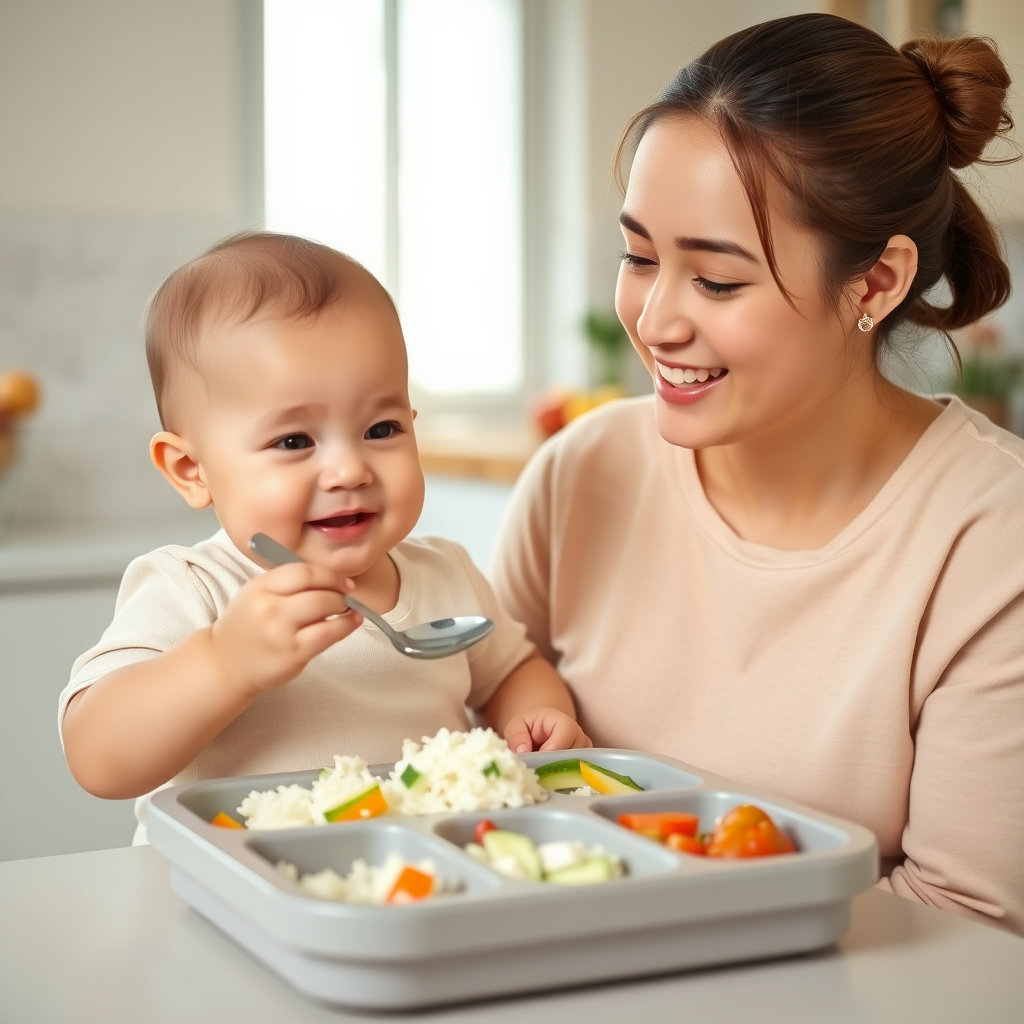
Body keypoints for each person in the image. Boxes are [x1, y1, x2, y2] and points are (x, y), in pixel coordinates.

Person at [491, 14, 1024, 935]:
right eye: (639, 257)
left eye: (717, 281)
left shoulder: (991, 541)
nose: (654, 321)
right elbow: (471, 760)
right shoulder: (581, 471)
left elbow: (967, 925)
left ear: (874, 285)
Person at [59, 231, 589, 842]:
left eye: (381, 429)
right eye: (294, 441)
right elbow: (98, 757)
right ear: (191, 469)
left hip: (406, 877)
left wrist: (536, 716)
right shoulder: (194, 588)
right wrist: (224, 663)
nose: (349, 470)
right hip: (221, 884)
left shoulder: (446, 575)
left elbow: (514, 669)